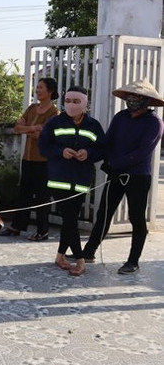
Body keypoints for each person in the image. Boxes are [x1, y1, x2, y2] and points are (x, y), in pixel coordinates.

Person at [79, 78, 164, 274]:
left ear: (146, 101)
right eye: (130, 97)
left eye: (137, 97)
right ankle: (89, 252)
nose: (132, 100)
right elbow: (107, 143)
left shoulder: (154, 123)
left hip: (137, 176)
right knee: (104, 213)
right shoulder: (120, 117)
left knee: (136, 217)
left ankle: (133, 260)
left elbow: (143, 152)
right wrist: (91, 155)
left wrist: (115, 164)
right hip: (115, 174)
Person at [38, 85, 106, 277]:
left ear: (85, 104)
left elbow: (102, 149)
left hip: (81, 180)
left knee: (70, 221)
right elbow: (43, 146)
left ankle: (60, 256)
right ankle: (80, 260)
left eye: (76, 101)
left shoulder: (94, 126)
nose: (71, 105)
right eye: (68, 101)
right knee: (70, 219)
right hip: (59, 179)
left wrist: (89, 153)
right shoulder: (54, 123)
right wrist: (60, 152)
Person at [0, 77, 59, 241]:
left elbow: (42, 135)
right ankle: (17, 226)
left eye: (41, 87)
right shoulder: (32, 108)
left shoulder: (54, 113)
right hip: (28, 158)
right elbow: (17, 128)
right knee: (23, 193)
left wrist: (31, 130)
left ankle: (43, 230)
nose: (37, 90)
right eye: (37, 87)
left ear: (50, 91)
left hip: (43, 161)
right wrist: (32, 128)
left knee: (42, 196)